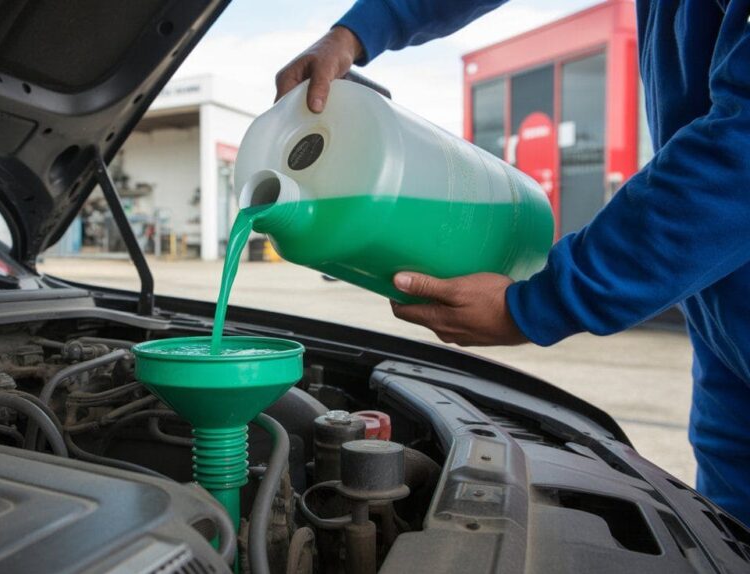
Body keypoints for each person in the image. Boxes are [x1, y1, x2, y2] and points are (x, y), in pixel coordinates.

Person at [275, 1, 750, 524]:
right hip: (725, 337)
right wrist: (354, 32)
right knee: (729, 525)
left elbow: (741, 149)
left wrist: (541, 301)